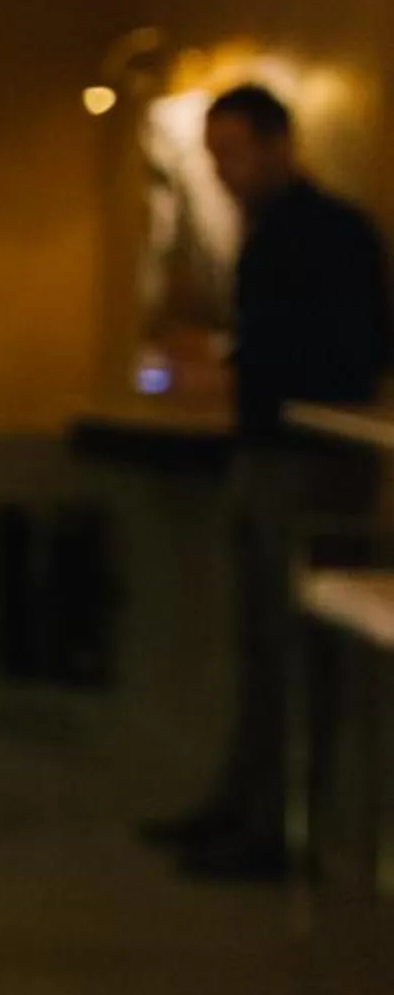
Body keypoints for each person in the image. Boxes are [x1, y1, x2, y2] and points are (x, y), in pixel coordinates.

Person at [146, 83, 390, 879]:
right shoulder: (273, 233)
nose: (222, 172)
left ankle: (277, 825)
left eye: (233, 154)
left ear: (279, 144)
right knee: (257, 644)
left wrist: (234, 374)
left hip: (308, 459)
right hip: (265, 453)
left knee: (291, 651)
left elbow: (349, 355)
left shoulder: (330, 234)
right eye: (214, 157)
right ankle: (244, 804)